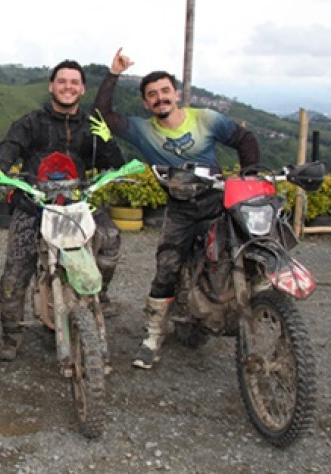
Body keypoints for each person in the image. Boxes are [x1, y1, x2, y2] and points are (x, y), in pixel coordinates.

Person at [94, 48, 260, 369]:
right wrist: (113, 73)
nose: (160, 99)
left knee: (248, 254)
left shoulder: (206, 119)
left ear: (177, 94)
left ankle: (259, 312)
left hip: (218, 203)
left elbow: (244, 139)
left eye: (165, 91)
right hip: (181, 210)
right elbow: (103, 114)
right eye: (152, 95)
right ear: (145, 103)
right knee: (166, 267)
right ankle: (153, 335)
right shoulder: (142, 131)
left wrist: (250, 173)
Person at [0, 59, 125, 362]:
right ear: (51, 86)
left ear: (83, 89)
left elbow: (115, 163)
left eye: (74, 82)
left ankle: (97, 293)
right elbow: (9, 146)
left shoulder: (92, 125)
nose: (68, 87)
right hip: (35, 202)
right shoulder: (31, 122)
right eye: (61, 81)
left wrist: (107, 139)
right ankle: (11, 334)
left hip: (80, 202)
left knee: (111, 238)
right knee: (16, 270)